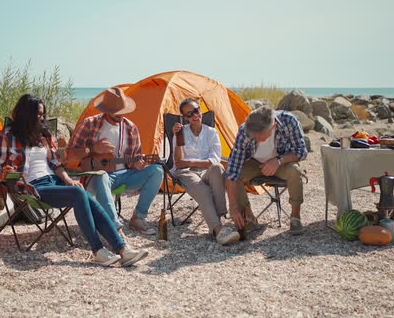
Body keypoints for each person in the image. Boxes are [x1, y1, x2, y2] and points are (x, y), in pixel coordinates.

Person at [0, 94, 148, 267]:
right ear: (26, 114)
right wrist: (4, 174)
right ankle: (98, 250)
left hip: (54, 183)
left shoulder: (44, 135)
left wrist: (67, 180)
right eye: (38, 114)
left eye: (43, 114)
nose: (42, 118)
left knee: (83, 194)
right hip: (31, 187)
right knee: (80, 194)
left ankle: (123, 250)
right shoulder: (7, 136)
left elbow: (56, 164)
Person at [66, 87, 164, 235]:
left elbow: (134, 159)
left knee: (156, 171)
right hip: (95, 178)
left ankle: (138, 217)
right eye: (116, 111)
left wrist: (137, 163)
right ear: (105, 109)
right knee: (102, 175)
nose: (120, 114)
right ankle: (115, 228)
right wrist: (92, 148)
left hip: (124, 176)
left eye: (122, 110)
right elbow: (69, 154)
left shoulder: (130, 128)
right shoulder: (90, 124)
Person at [225, 106, 308, 236]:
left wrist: (278, 160)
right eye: (254, 136)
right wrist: (233, 206)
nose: (257, 139)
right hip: (254, 164)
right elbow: (232, 170)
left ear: (273, 126)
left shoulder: (289, 121)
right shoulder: (245, 130)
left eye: (260, 136)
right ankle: (249, 218)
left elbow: (302, 151)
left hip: (281, 163)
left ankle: (295, 218)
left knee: (295, 171)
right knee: (236, 173)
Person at [170, 98, 240, 245]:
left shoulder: (211, 132)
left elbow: (214, 160)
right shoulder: (181, 132)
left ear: (200, 110)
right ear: (185, 118)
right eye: (189, 114)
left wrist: (190, 161)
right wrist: (176, 138)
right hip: (186, 173)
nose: (194, 115)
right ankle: (219, 229)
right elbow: (178, 162)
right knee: (202, 189)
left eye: (196, 110)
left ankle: (218, 218)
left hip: (206, 171)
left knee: (217, 168)